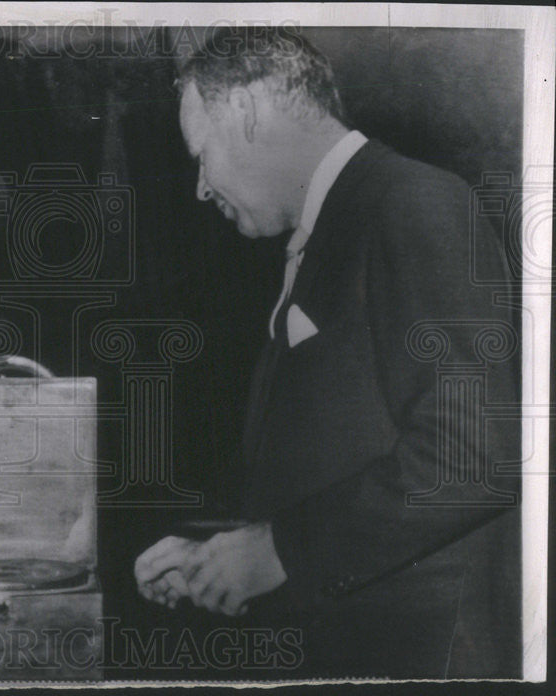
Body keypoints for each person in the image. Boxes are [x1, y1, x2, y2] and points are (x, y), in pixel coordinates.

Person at [134, 29, 520, 677]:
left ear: (247, 113)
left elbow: (472, 456)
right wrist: (221, 558)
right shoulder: (341, 222)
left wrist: (283, 549)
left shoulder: (413, 203)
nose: (201, 187)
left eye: (201, 156)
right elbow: (341, 462)